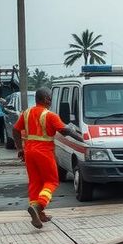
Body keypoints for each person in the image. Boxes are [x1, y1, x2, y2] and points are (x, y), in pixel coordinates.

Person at [12, 87, 84, 228]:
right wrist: (83, 140)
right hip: (44, 152)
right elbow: (65, 131)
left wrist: (20, 148)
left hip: (29, 152)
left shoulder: (26, 113)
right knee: (51, 182)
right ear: (46, 99)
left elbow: (15, 129)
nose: (51, 100)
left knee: (35, 183)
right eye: (50, 98)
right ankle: (39, 207)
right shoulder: (50, 115)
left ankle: (38, 214)